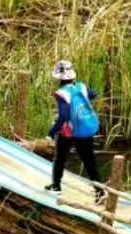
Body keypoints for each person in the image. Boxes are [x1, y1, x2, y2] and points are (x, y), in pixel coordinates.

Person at [44, 60, 105, 205]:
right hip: (84, 130)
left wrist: (51, 132)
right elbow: (94, 93)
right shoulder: (81, 87)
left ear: (59, 78)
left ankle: (56, 185)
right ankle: (99, 191)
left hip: (68, 132)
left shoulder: (61, 93)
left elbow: (64, 116)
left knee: (60, 158)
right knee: (89, 161)